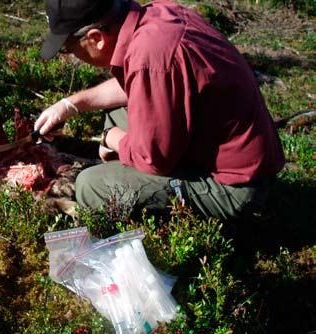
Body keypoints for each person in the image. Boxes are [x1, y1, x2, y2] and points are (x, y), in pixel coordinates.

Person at [34, 0, 285, 220]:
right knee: (116, 111)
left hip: (236, 188)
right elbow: (141, 82)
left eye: (68, 48)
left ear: (96, 38)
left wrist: (111, 138)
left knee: (92, 185)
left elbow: (154, 160)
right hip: (233, 153)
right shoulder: (158, 16)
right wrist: (70, 105)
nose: (71, 56)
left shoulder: (151, 57)